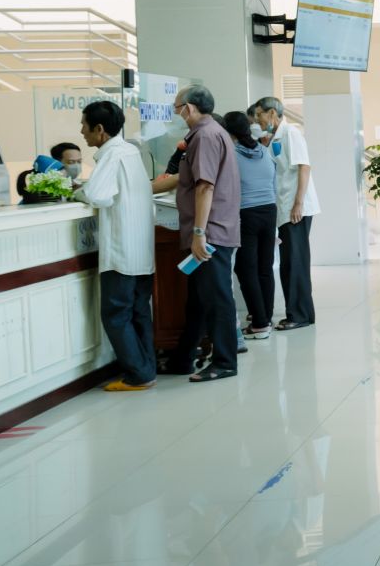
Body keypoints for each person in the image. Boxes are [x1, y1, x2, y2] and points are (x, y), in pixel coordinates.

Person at [152, 85, 241, 383]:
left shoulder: (204, 136)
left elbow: (205, 186)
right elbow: (190, 179)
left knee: (216, 298)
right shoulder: (209, 133)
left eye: (177, 108)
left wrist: (199, 233)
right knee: (199, 300)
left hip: (210, 231)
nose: (177, 113)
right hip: (211, 228)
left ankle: (225, 361)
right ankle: (184, 357)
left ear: (188, 108)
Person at [75, 101, 157, 391]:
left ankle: (138, 374)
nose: (81, 131)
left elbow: (97, 194)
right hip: (141, 250)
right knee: (139, 312)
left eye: (84, 126)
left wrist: (79, 193)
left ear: (100, 129)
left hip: (121, 251)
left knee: (116, 314)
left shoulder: (112, 155)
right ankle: (147, 369)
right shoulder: (131, 151)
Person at [253, 97, 318, 331]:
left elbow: (304, 167)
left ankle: (299, 315)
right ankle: (301, 313)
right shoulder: (276, 137)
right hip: (286, 208)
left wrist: (298, 204)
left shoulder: (291, 133)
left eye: (260, 115)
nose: (258, 120)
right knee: (290, 262)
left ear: (272, 113)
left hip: (295, 209)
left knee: (295, 262)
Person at [222, 111, 278, 341]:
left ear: (228, 132)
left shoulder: (231, 154)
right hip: (270, 210)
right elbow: (273, 181)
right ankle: (265, 317)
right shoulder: (263, 151)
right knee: (265, 267)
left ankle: (260, 323)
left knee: (246, 269)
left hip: (247, 213)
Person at [17, 141, 82, 204]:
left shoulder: (77, 184)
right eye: (71, 162)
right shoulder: (46, 189)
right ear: (56, 162)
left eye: (79, 161)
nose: (77, 166)